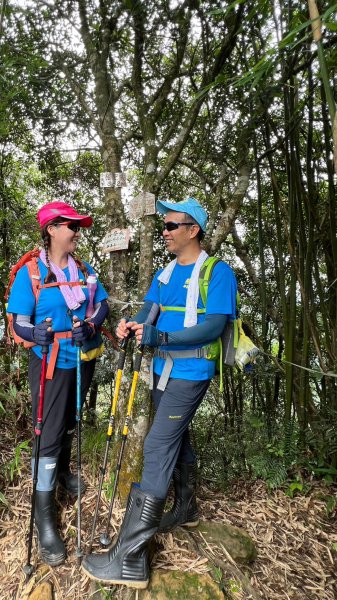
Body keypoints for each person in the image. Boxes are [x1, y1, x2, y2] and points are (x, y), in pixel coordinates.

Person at [81, 198, 237, 588]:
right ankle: (185, 507)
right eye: (162, 227)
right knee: (175, 438)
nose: (164, 232)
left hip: (192, 371)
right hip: (162, 371)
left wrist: (161, 336)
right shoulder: (166, 274)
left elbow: (214, 327)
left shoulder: (218, 274)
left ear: (193, 230)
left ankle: (129, 559)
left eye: (171, 226)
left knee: (156, 447)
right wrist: (129, 327)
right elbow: (147, 313)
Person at [7, 201, 109, 566]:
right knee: (47, 436)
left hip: (81, 359)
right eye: (71, 226)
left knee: (69, 422)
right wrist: (34, 331)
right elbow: (18, 322)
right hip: (49, 363)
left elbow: (101, 305)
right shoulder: (31, 272)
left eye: (78, 227)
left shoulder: (83, 269)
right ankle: (44, 517)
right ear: (52, 229)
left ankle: (63, 473)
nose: (77, 233)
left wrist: (92, 325)